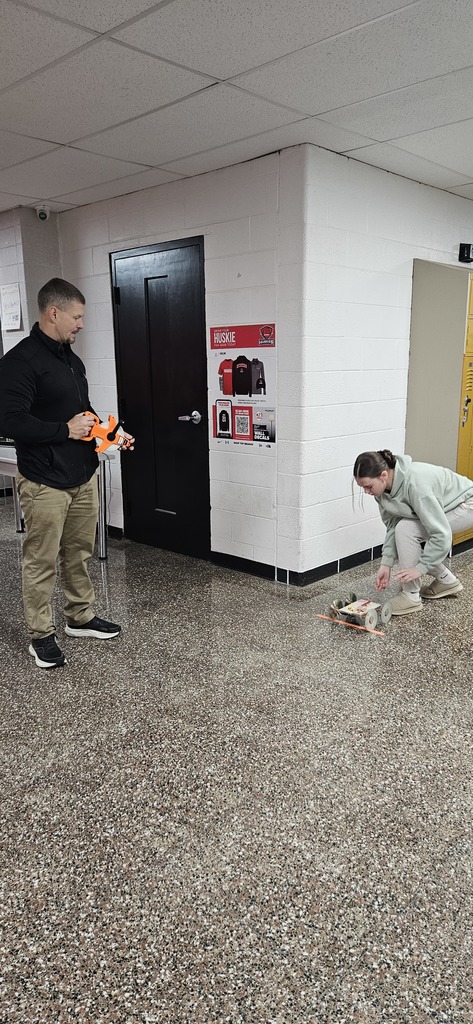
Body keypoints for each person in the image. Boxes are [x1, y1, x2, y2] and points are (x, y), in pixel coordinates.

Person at [0, 278, 133, 668]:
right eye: (76, 317)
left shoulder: (70, 360)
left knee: (78, 552)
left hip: (82, 474)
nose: (81, 324)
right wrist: (64, 431)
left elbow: (82, 413)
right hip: (43, 480)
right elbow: (8, 420)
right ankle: (41, 635)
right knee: (40, 560)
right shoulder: (18, 362)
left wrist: (107, 434)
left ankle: (80, 616)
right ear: (53, 313)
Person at [353, 449, 473, 616]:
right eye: (362, 487)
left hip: (466, 503)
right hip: (447, 504)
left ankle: (411, 597)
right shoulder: (381, 492)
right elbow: (392, 526)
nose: (366, 492)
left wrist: (420, 568)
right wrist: (385, 564)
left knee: (407, 530)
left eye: (368, 486)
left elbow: (441, 534)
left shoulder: (415, 485)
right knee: (403, 530)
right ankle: (447, 581)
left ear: (383, 475)